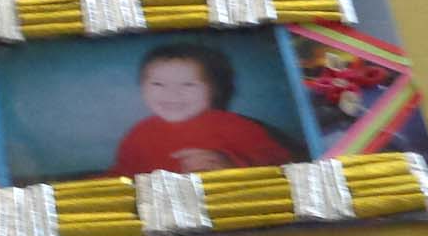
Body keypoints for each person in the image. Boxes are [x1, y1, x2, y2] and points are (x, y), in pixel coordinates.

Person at [112, 43, 296, 175]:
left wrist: (232, 165)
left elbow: (283, 163)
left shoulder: (236, 126)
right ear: (141, 88)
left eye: (188, 84)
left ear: (214, 90)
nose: (173, 93)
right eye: (158, 84)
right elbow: (123, 173)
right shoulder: (139, 132)